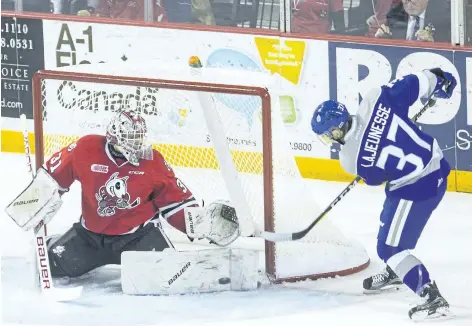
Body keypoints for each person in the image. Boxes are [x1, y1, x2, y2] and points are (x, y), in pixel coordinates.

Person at [6, 109, 240, 280]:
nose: (136, 145)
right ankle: (54, 243)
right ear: (114, 137)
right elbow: (52, 178)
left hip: (138, 238)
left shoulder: (153, 161)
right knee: (51, 265)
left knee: (169, 276)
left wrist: (198, 223)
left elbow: (175, 203)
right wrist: (35, 205)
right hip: (89, 237)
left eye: (139, 139)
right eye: (130, 139)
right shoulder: (86, 149)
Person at [310, 68, 456, 320]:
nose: (328, 140)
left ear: (336, 131)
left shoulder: (349, 160)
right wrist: (439, 77)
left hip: (419, 186)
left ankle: (431, 297)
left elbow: (376, 178)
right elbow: (415, 82)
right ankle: (399, 269)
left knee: (389, 248)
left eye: (327, 135)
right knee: (390, 224)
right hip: (434, 165)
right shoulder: (375, 98)